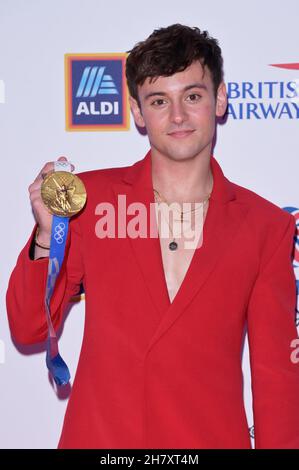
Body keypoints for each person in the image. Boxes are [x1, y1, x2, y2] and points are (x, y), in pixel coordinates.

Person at [6, 24, 299, 449]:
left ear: (219, 99)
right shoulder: (90, 203)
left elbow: (276, 381)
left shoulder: (266, 228)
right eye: (159, 101)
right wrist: (48, 236)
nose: (177, 116)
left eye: (192, 96)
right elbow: (28, 327)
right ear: (138, 112)